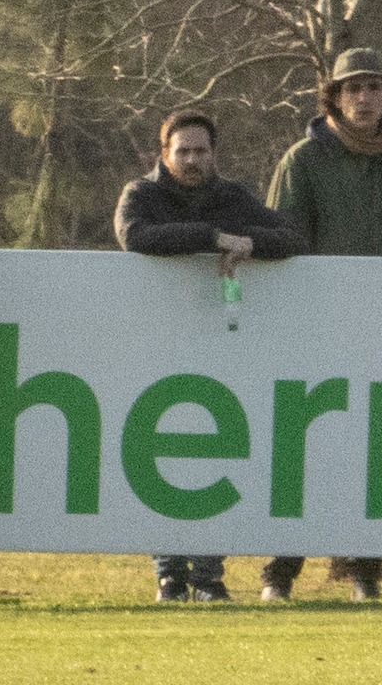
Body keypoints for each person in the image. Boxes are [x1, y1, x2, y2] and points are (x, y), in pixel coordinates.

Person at [265, 47, 382, 603]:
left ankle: (365, 569)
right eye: (353, 88)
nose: (364, 98)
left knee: (374, 449)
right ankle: (280, 570)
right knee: (303, 451)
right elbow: (281, 243)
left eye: (374, 87)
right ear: (333, 98)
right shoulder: (303, 161)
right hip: (316, 332)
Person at [115, 108, 298, 603]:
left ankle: (209, 574)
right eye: (184, 151)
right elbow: (135, 236)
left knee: (216, 455)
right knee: (161, 454)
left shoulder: (233, 197)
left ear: (215, 155)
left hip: (219, 342)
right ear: (164, 155)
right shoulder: (142, 194)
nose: (193, 160)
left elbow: (292, 237)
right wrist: (211, 237)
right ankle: (169, 574)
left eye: (202, 151)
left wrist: (249, 245)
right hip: (155, 340)